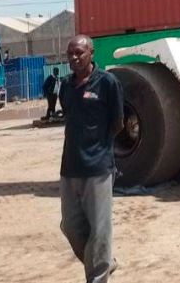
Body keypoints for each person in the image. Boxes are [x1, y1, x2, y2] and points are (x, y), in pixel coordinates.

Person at [58, 35, 124, 283]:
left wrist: (98, 146)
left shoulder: (108, 83)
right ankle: (105, 262)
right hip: (70, 167)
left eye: (79, 53)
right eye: (70, 54)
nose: (74, 58)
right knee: (71, 226)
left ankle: (98, 277)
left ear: (91, 54)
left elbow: (117, 123)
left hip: (98, 168)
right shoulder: (65, 86)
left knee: (100, 231)